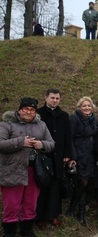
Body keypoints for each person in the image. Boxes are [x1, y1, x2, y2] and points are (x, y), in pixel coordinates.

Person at [0, 97, 55, 237]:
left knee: (31, 202)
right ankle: (9, 232)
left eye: (32, 110)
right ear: (20, 110)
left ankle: (27, 230)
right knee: (11, 203)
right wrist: (20, 142)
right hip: (12, 170)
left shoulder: (41, 124)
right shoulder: (7, 124)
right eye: (26, 109)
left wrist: (41, 144)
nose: (29, 112)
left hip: (34, 170)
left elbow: (51, 143)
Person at [36, 89, 72, 230]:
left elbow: (67, 136)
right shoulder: (39, 114)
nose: (55, 100)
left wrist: (68, 154)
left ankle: (53, 215)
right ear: (45, 98)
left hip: (59, 156)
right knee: (43, 187)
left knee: (55, 187)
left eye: (57, 98)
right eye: (52, 98)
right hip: (43, 156)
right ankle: (40, 217)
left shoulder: (64, 115)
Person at [66, 96, 98, 226]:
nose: (87, 108)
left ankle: (81, 213)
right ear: (80, 107)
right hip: (80, 154)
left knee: (88, 183)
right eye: (84, 106)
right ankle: (73, 209)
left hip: (91, 154)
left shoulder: (93, 119)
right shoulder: (74, 118)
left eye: (89, 106)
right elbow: (70, 138)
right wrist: (72, 157)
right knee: (82, 183)